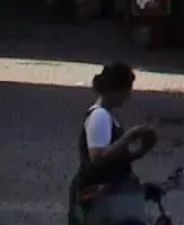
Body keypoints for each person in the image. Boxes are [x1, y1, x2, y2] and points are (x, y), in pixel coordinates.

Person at [67, 62, 156, 225]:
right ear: (118, 89)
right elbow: (98, 157)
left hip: (110, 193)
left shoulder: (108, 115)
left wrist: (142, 150)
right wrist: (129, 136)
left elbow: (115, 159)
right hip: (96, 195)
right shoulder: (99, 116)